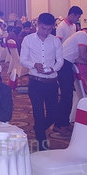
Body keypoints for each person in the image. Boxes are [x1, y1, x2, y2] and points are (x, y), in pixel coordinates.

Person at [20, 12, 63, 150]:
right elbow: (22, 60)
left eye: (49, 29)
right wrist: (34, 65)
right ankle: (41, 146)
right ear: (38, 25)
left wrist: (53, 69)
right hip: (35, 82)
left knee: (53, 114)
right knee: (38, 114)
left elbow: (60, 61)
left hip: (51, 82)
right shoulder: (28, 40)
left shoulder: (55, 41)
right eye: (43, 28)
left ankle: (39, 129)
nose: (46, 32)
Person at [58, 22, 87, 136]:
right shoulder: (83, 35)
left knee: (67, 96)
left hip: (67, 63)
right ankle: (59, 124)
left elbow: (78, 58)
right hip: (64, 65)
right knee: (66, 96)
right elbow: (83, 56)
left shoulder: (82, 35)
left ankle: (63, 123)